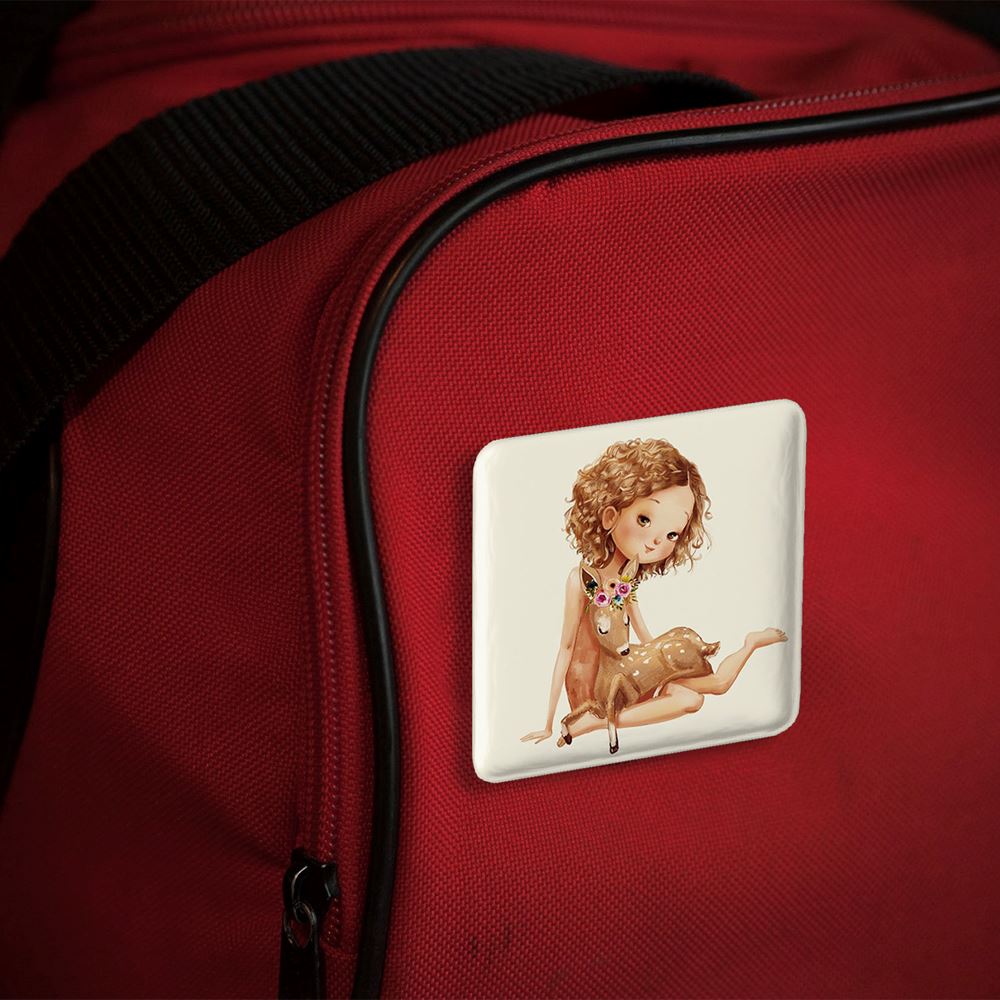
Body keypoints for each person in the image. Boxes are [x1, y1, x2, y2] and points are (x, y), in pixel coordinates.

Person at [520, 437, 786, 746]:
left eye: (672, 534)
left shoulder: (627, 579)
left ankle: (751, 644)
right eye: (644, 519)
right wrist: (548, 723)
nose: (656, 541)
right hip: (596, 687)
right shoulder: (580, 580)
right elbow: (565, 649)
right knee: (693, 692)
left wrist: (667, 664)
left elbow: (645, 638)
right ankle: (595, 721)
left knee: (706, 691)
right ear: (609, 516)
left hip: (628, 673)